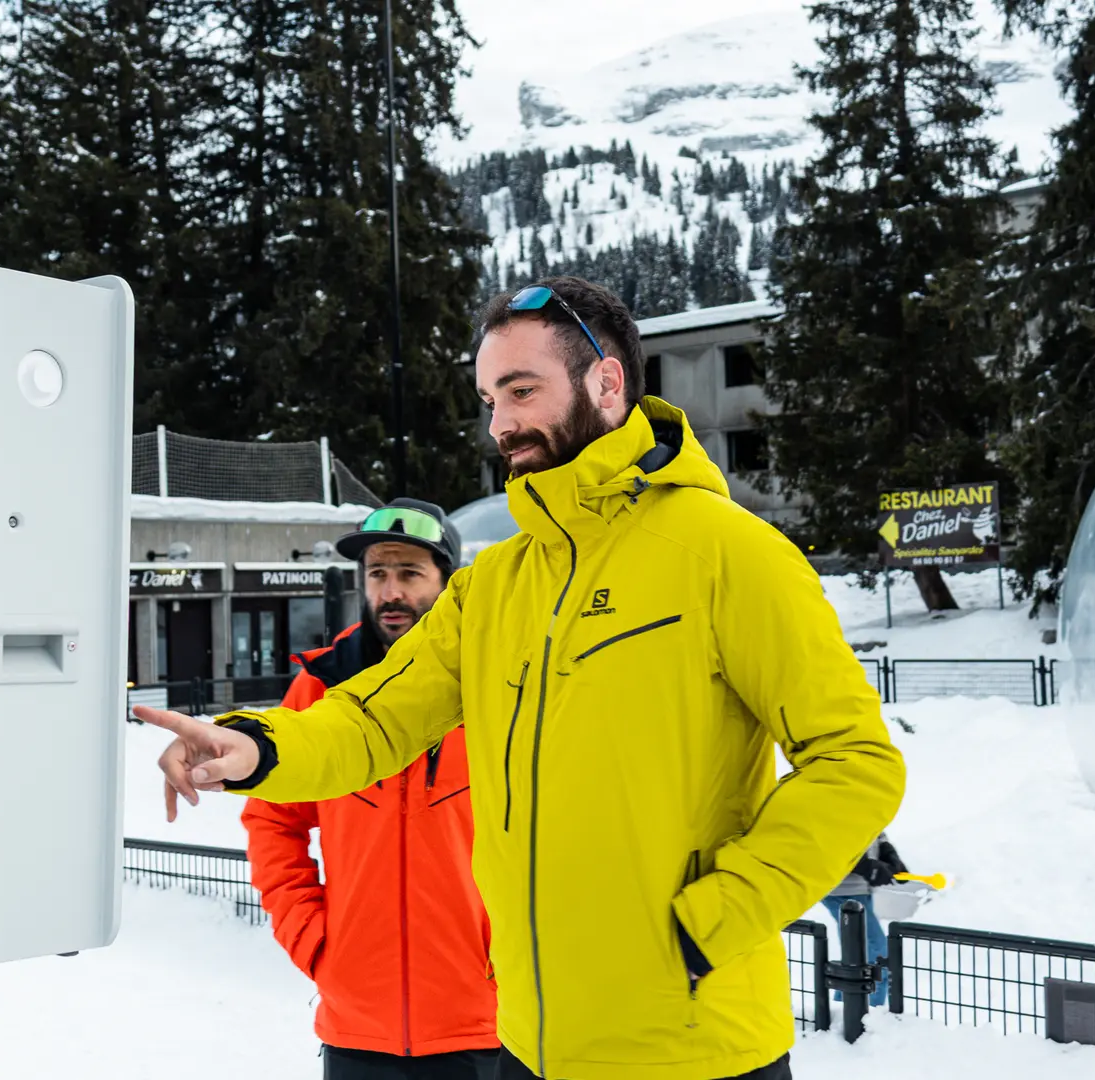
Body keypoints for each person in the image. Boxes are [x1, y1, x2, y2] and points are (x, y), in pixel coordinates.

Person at [141, 276, 906, 1080]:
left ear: (606, 384)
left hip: (695, 1050)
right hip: (530, 1049)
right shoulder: (495, 584)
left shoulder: (729, 554)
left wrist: (705, 923)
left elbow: (854, 764)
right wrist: (257, 748)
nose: (500, 424)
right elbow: (375, 721)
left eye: (521, 390)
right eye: (488, 399)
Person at [242, 498, 498, 1079]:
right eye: (378, 574)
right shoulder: (321, 687)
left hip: (483, 1023)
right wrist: (313, 940)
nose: (391, 592)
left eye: (410, 573)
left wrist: (506, 954)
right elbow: (273, 822)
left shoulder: (493, 685)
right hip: (358, 1027)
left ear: (447, 583)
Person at [820, 833, 908, 1007]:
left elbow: (871, 824)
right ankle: (864, 1017)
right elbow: (827, 837)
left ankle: (845, 1012)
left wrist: (886, 850)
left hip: (859, 888)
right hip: (842, 889)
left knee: (856, 956)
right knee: (877, 955)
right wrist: (865, 866)